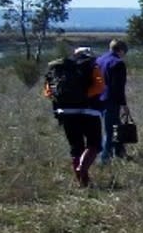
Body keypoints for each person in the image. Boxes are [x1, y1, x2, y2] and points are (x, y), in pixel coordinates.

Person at [45, 46, 106, 187]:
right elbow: (100, 87)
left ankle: (82, 181)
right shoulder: (91, 65)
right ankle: (83, 168)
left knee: (75, 147)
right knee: (94, 144)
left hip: (65, 112)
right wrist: (84, 96)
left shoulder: (59, 68)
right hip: (90, 112)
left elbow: (49, 92)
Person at [96, 39, 129, 165]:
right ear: (120, 50)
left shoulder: (99, 60)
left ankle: (120, 152)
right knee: (111, 130)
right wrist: (124, 104)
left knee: (117, 126)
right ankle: (104, 159)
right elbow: (118, 87)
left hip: (99, 99)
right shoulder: (118, 63)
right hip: (111, 100)